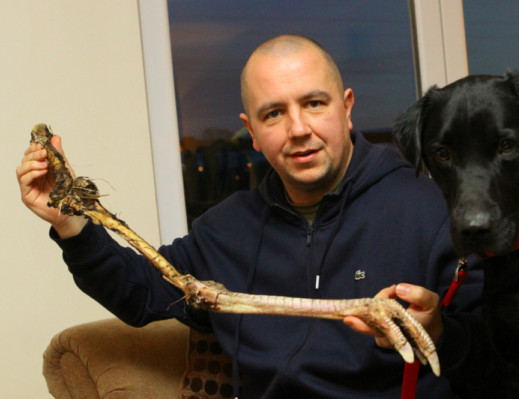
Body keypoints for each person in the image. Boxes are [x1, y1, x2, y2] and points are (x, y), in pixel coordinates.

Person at [17, 34, 483, 398]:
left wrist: (440, 330)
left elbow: (499, 354)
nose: (298, 129)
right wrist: (70, 225)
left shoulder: (432, 208)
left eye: (314, 104)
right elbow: (139, 293)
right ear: (253, 133)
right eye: (274, 113)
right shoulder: (227, 229)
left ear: (346, 108)